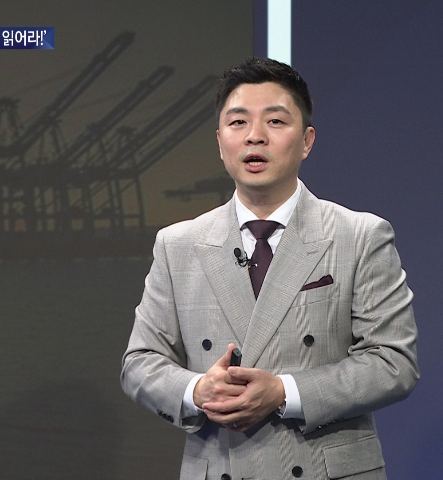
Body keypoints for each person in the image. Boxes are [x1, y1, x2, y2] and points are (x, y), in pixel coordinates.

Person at [121, 57, 419, 480]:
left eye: (275, 121)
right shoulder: (178, 244)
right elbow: (140, 363)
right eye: (238, 122)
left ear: (307, 141)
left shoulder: (360, 235)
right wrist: (198, 390)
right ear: (220, 140)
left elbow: (393, 362)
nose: (255, 136)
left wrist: (284, 392)